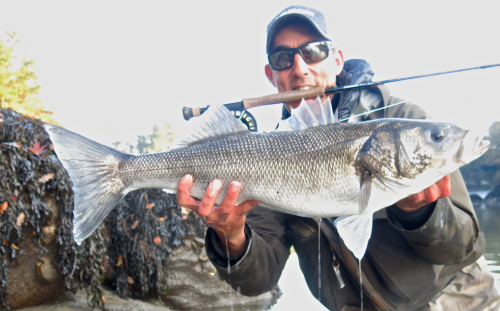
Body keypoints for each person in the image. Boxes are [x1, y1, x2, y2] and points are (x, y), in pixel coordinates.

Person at [177, 5, 499, 311]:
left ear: (337, 60)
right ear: (270, 73)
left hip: (455, 301)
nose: (299, 68)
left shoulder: (404, 116)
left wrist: (423, 214)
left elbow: (464, 247)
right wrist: (231, 235)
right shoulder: (260, 155)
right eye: (282, 58)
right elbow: (256, 281)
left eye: (313, 51)